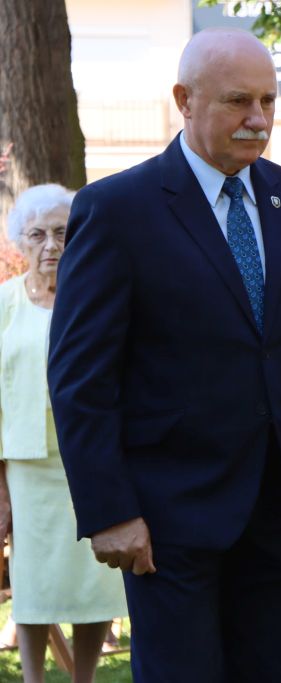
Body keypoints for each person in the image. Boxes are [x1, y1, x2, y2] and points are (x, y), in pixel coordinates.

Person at [47, 29, 281, 681]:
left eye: (268, 101)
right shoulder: (117, 209)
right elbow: (81, 378)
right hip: (168, 516)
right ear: (185, 100)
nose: (258, 119)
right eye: (238, 101)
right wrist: (110, 509)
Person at [1, 184, 127, 683]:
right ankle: (33, 677)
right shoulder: (5, 303)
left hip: (90, 458)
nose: (51, 245)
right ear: (21, 242)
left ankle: (84, 677)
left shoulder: (94, 296)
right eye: (38, 234)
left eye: (62, 232)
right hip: (28, 465)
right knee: (33, 582)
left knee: (93, 579)